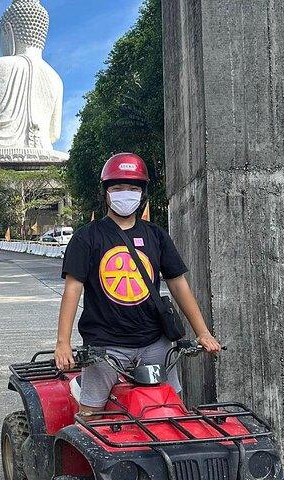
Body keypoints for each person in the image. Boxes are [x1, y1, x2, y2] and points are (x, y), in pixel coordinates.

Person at [54, 153, 221, 413]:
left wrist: (203, 332)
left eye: (133, 188)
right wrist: (63, 343)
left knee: (171, 410)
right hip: (105, 345)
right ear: (105, 192)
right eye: (117, 188)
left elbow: (178, 285)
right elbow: (72, 290)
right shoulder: (87, 237)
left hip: (155, 342)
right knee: (92, 419)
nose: (125, 194)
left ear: (142, 194)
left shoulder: (156, 236)